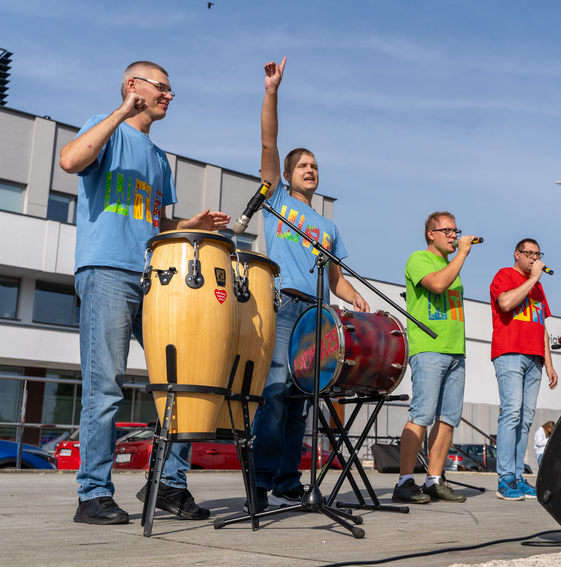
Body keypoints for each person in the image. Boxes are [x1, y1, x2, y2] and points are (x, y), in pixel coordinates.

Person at [59, 61, 230, 524]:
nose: (169, 96)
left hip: (155, 279)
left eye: (171, 90)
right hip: (107, 271)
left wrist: (188, 225)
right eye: (163, 88)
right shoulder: (104, 126)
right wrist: (121, 112)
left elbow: (155, 220)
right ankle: (93, 494)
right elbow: (70, 161)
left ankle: (169, 484)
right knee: (106, 386)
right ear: (133, 85)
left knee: (183, 381)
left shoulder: (158, 157)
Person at [252, 57, 369, 511]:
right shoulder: (276, 199)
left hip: (317, 315)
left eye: (315, 165)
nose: (310, 169)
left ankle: (287, 480)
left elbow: (337, 281)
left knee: (302, 401)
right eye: (302, 164)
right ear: (286, 174)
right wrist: (272, 91)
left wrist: (356, 298)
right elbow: (269, 141)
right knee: (275, 392)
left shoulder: (329, 227)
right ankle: (260, 480)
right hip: (284, 306)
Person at [392, 211, 476, 504]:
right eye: (448, 231)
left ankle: (434, 480)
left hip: (455, 350)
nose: (454, 236)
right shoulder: (419, 259)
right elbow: (438, 285)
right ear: (431, 233)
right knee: (422, 414)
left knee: (448, 418)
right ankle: (404, 481)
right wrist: (462, 254)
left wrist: (457, 258)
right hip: (429, 349)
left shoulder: (452, 265)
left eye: (456, 231)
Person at [489, 239, 558, 500]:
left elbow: (541, 327)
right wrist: (533, 279)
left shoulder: (538, 286)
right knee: (511, 412)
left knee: (526, 418)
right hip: (510, 353)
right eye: (529, 254)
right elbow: (506, 303)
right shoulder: (505, 275)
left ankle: (518, 477)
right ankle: (505, 478)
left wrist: (549, 363)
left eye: (537, 254)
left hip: (534, 358)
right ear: (517, 254)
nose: (534, 258)